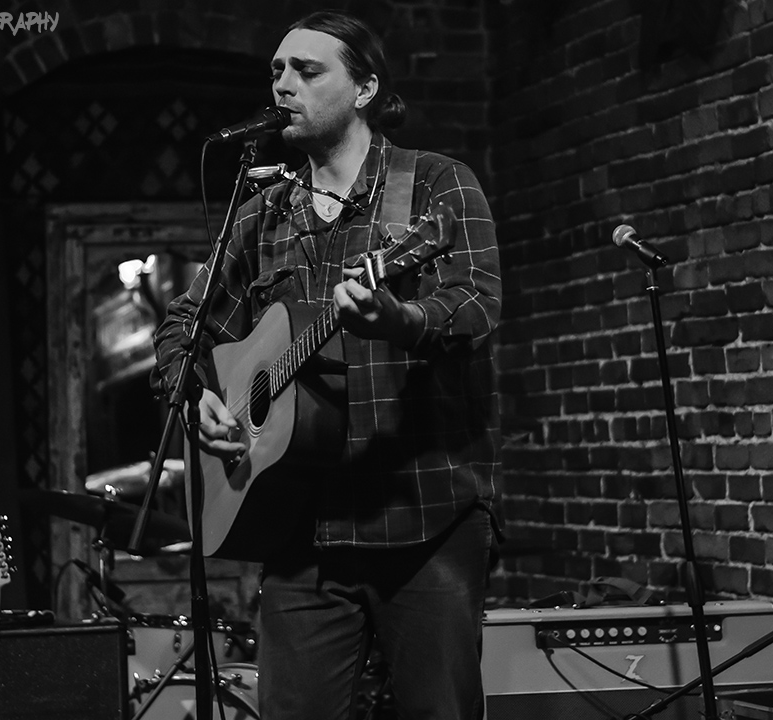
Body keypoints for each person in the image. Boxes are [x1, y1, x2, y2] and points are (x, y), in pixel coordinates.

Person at [152, 10, 502, 720]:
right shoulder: (262, 213)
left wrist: (401, 319)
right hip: (298, 528)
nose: (284, 84)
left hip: (422, 520)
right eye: (276, 70)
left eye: (307, 71)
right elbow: (182, 328)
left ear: (366, 87)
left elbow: (475, 305)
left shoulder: (433, 186)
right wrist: (198, 403)